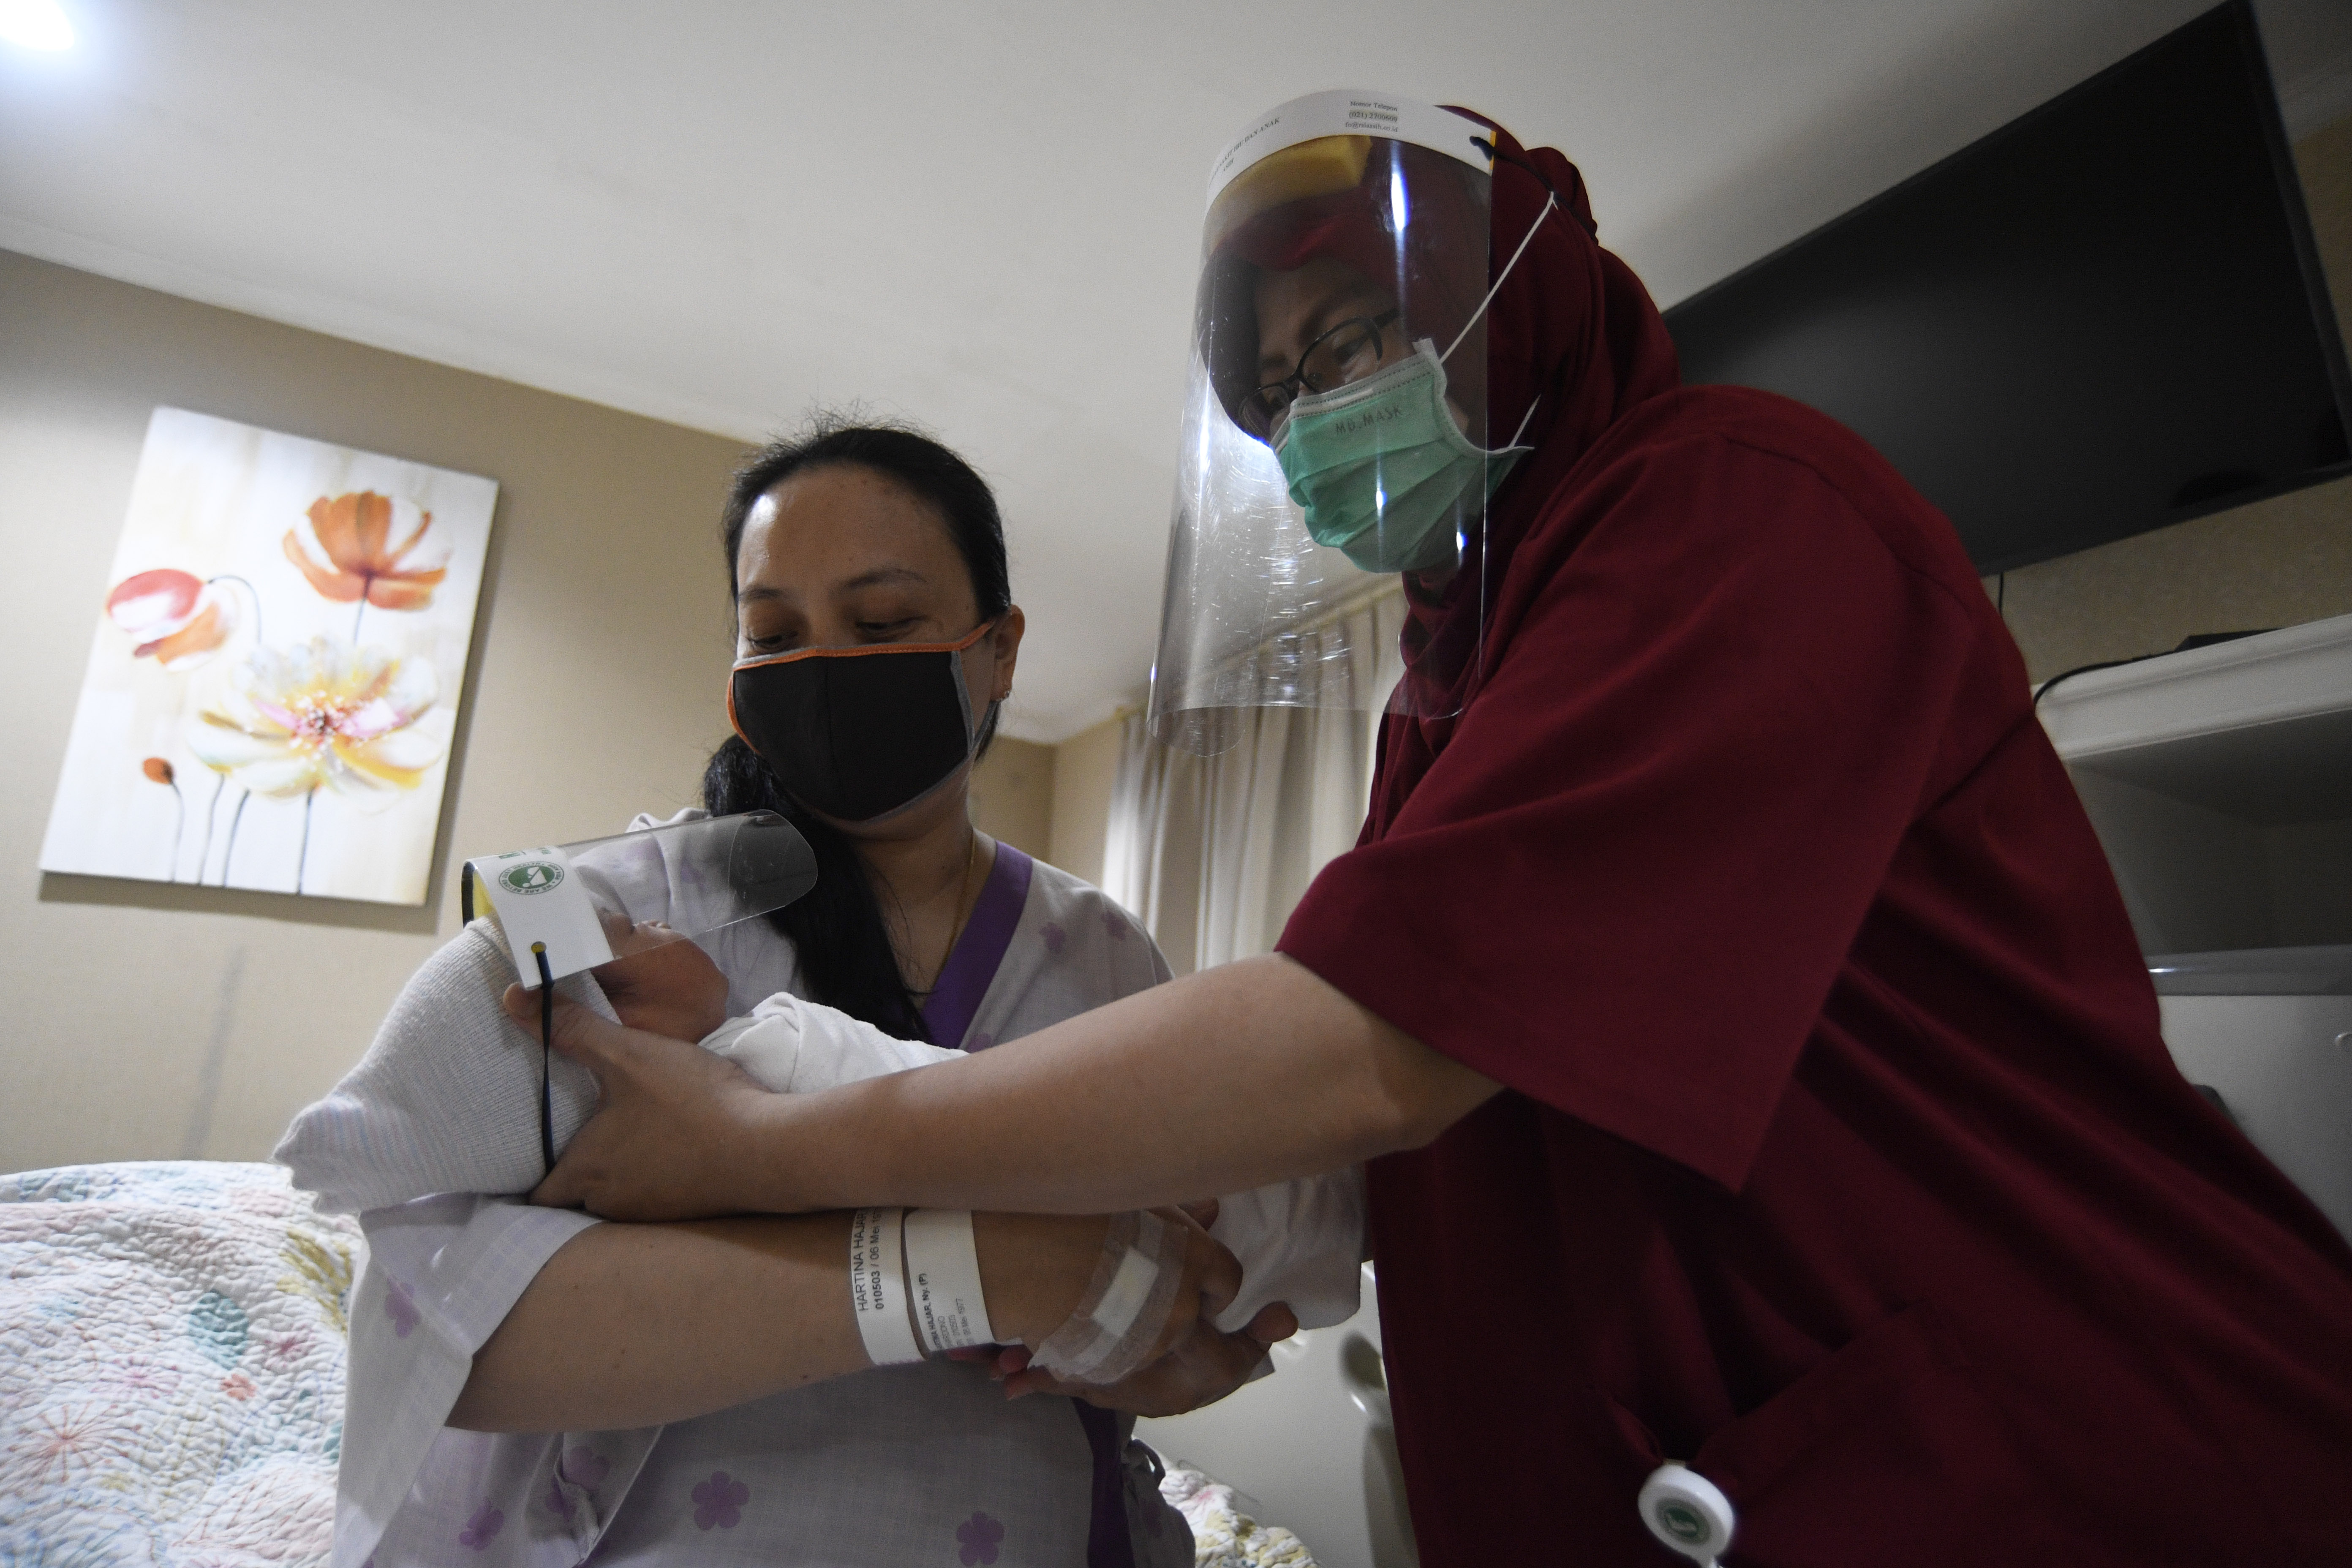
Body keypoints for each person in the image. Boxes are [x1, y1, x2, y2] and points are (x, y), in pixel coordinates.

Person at [509, 97, 2352, 1566]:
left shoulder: (1731, 510)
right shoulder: (1445, 699)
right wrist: (1224, 1300)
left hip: (2029, 1448)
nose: (1324, 414)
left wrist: (785, 1139)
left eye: (1358, 334)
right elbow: (1382, 1161)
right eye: (1284, 387)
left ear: (999, 656)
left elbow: (1377, 1049)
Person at [305, 420, 1350, 1568]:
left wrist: (1175, 1346)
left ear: (996, 652)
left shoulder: (1103, 958)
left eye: (885, 623)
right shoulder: (596, 922)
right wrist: (979, 1269)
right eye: (775, 634)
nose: (830, 669)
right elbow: (446, 1331)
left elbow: (1197, 1264)